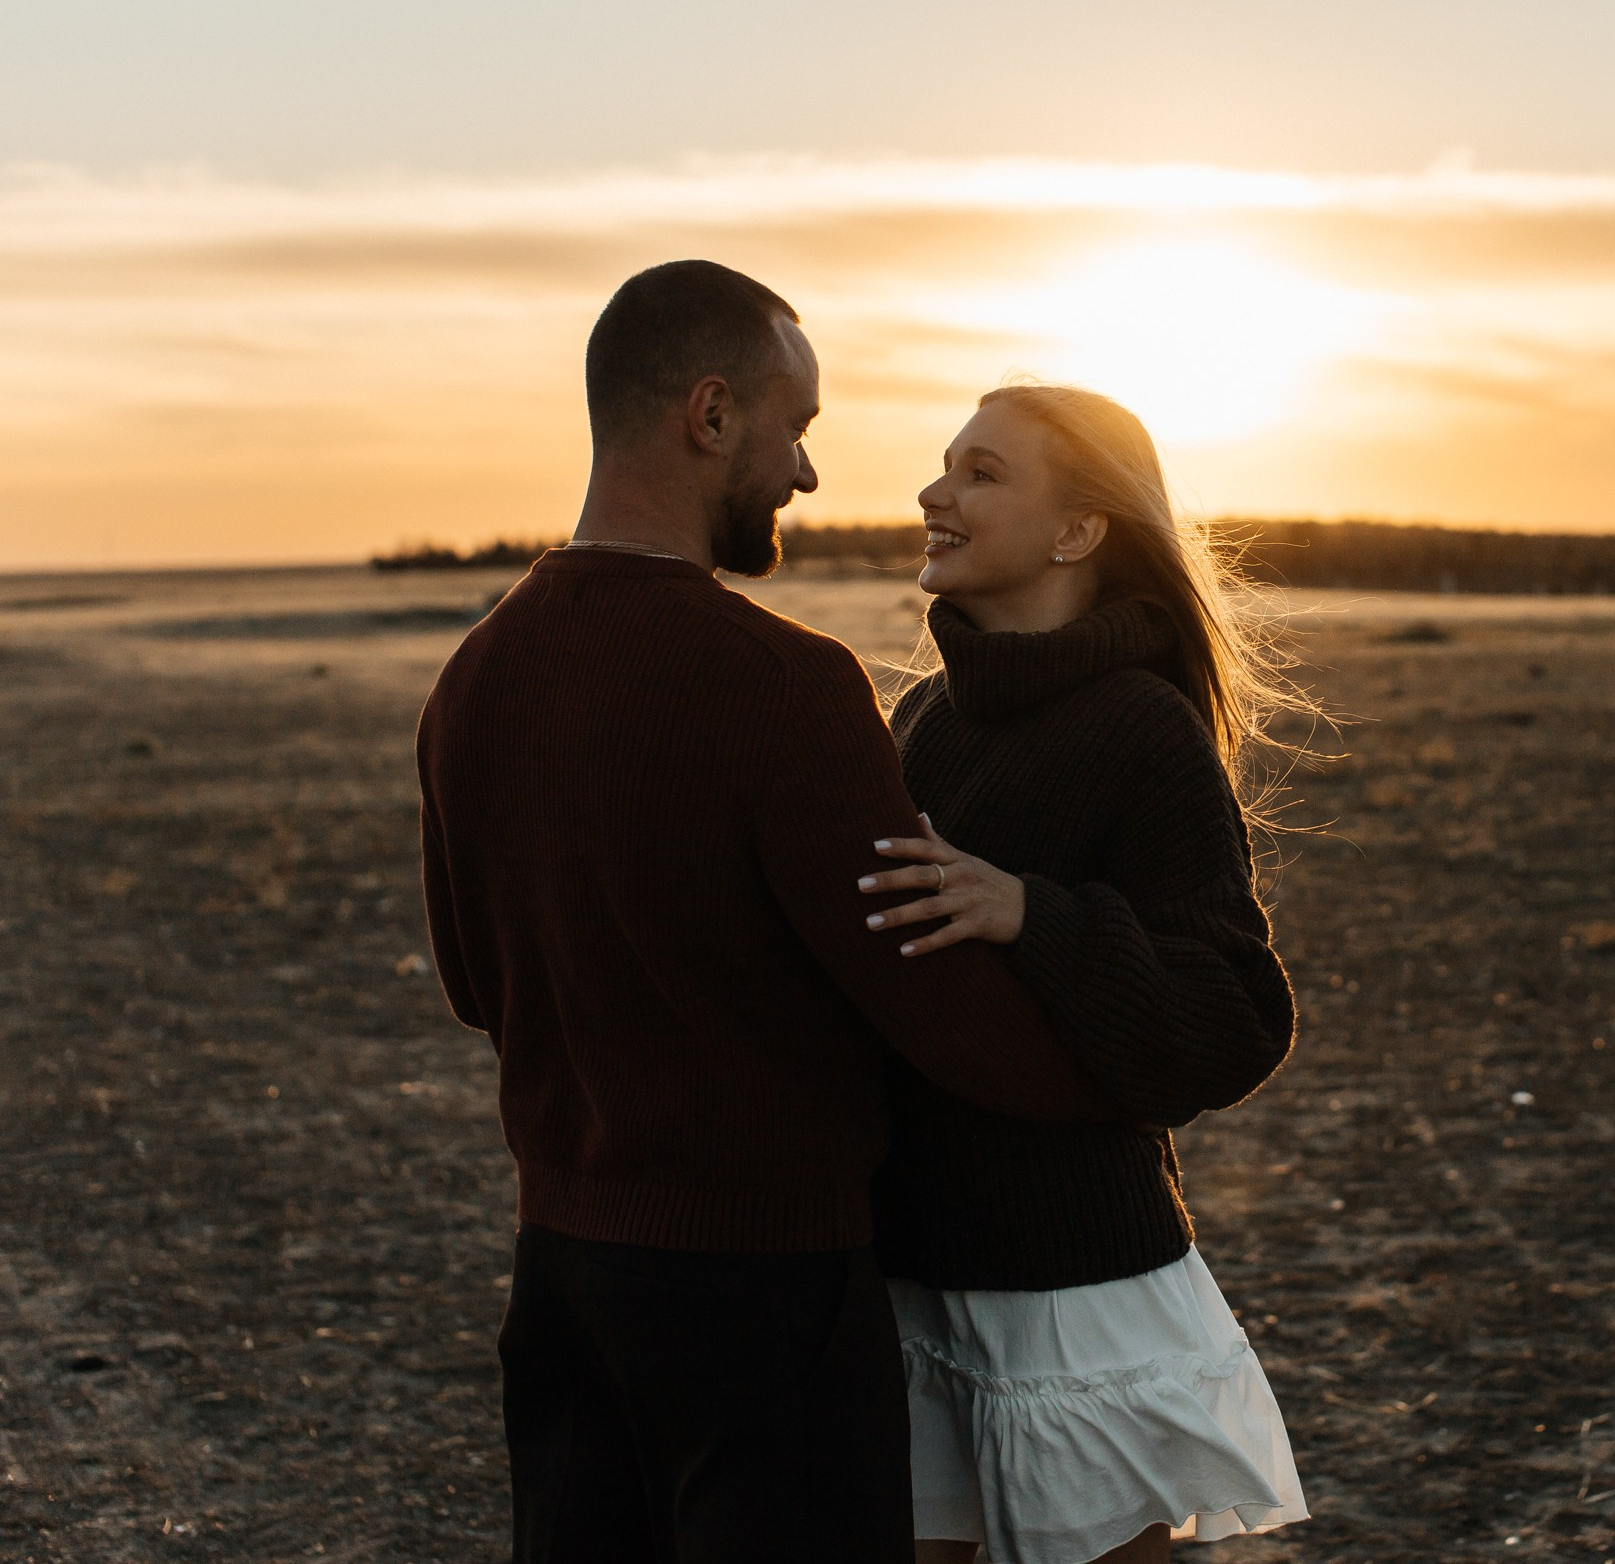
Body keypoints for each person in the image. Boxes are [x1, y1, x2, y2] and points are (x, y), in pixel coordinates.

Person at [416, 263, 1121, 1563]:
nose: (805, 475)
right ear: (711, 415)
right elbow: (939, 1011)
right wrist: (1141, 1063)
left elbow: (473, 984)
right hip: (764, 1293)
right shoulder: (783, 687)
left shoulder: (476, 676)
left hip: (562, 1283)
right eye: (796, 430)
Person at [853, 384, 1310, 1564]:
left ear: (1078, 532)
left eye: (982, 473)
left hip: (1067, 1287)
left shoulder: (1140, 729)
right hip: (917, 1268)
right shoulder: (927, 721)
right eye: (944, 464)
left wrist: (1032, 916)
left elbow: (1233, 1015)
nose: (933, 493)